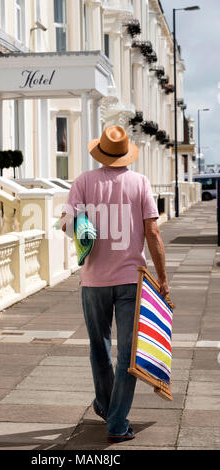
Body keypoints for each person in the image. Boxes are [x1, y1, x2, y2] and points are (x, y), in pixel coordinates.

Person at [60, 126, 169, 444]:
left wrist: (78, 224)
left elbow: (66, 223)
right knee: (129, 354)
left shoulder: (83, 182)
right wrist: (162, 278)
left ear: (102, 152)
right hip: (131, 280)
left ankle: (108, 408)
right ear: (125, 154)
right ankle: (117, 421)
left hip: (93, 280)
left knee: (99, 347)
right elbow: (153, 233)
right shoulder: (140, 183)